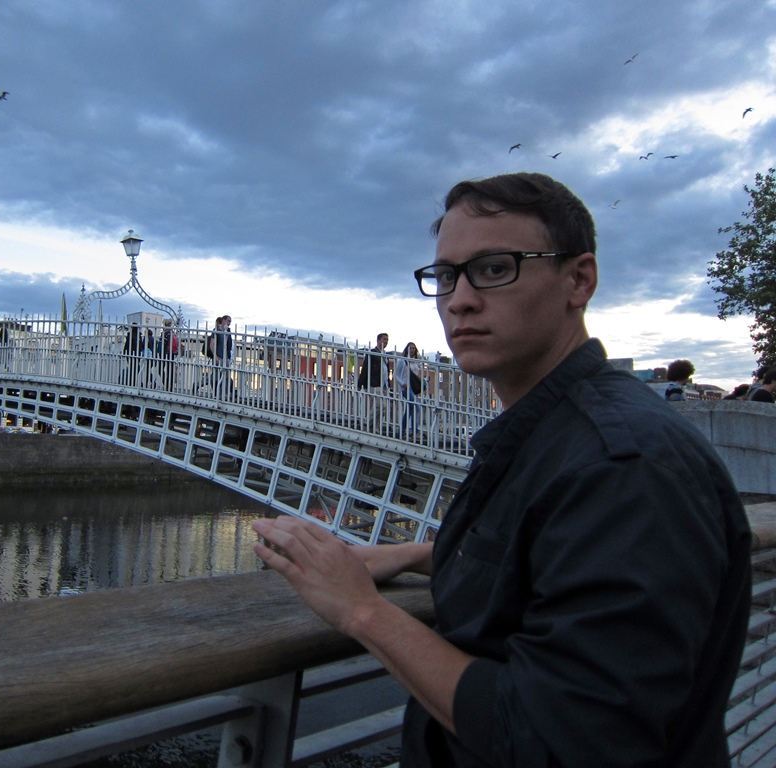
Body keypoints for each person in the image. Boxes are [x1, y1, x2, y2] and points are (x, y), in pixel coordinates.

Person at [253, 171, 751, 767]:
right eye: (444, 275)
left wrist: (362, 610)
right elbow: (557, 558)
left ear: (578, 280)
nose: (459, 298)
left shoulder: (624, 466)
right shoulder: (560, 435)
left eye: (494, 268)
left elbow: (558, 741)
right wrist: (419, 554)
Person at [357, 333, 390, 430]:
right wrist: (361, 384)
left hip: (384, 384)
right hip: (375, 383)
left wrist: (388, 383)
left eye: (387, 339)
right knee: (381, 406)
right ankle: (366, 421)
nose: (386, 341)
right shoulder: (372, 353)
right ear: (378, 340)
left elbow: (386, 370)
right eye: (384, 339)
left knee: (381, 408)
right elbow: (365, 369)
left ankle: (376, 427)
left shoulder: (385, 355)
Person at [394, 342, 422, 438]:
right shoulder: (402, 361)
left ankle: (402, 432)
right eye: (410, 348)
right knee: (416, 407)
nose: (412, 350)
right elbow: (396, 375)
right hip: (406, 388)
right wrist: (403, 384)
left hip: (413, 388)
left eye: (414, 348)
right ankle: (415, 431)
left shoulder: (415, 361)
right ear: (407, 349)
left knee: (409, 410)